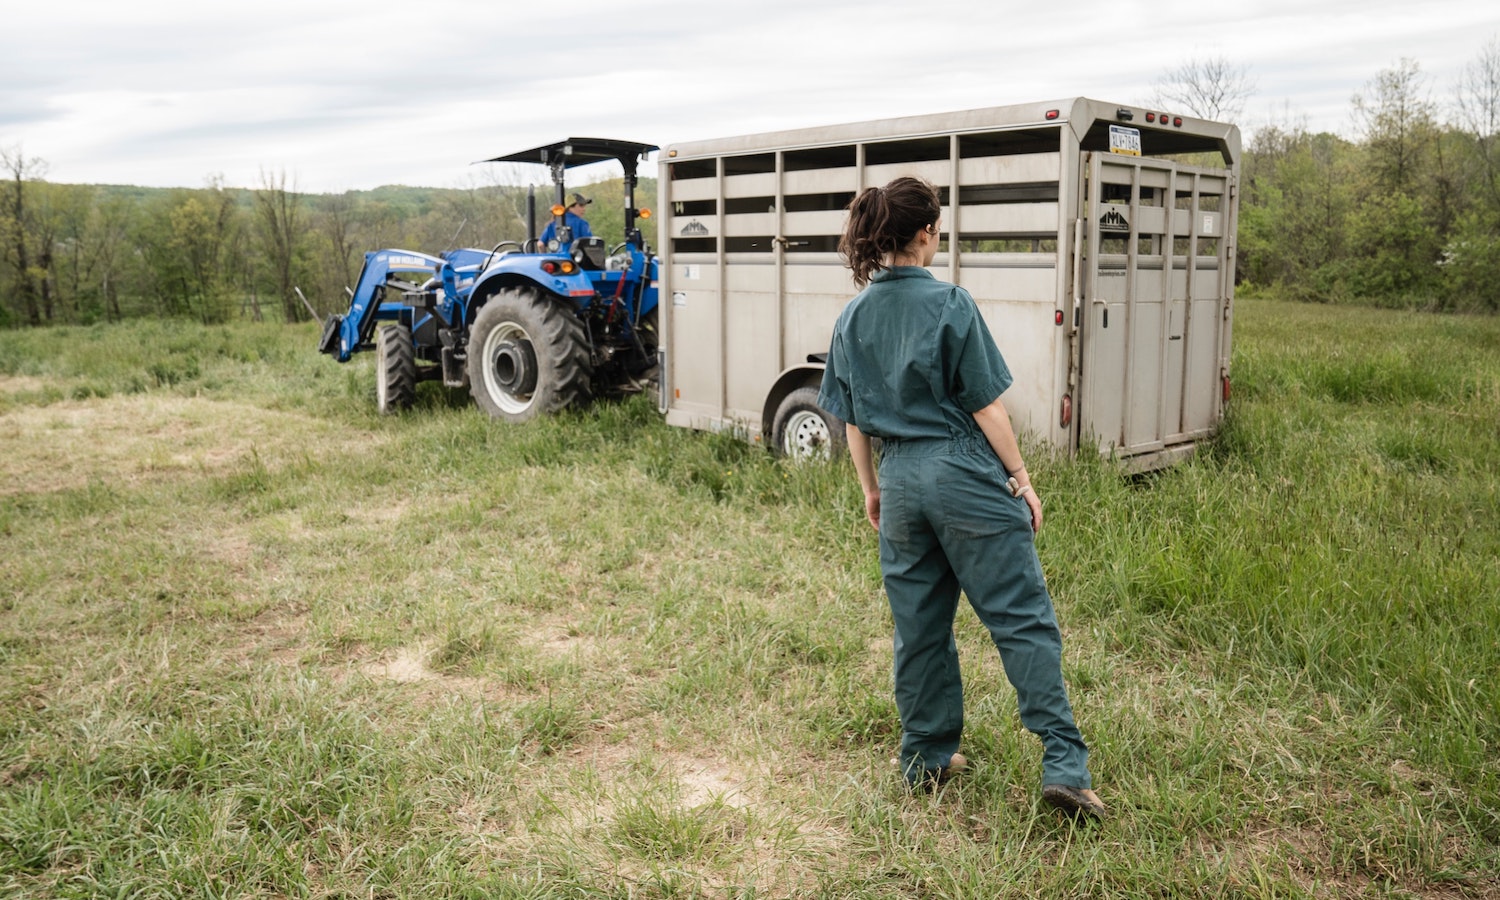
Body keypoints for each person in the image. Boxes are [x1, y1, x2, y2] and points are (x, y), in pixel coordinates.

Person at [816, 176, 1106, 820]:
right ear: (924, 234)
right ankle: (1063, 763)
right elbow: (986, 407)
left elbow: (854, 419)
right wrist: (1022, 479)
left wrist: (872, 489)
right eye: (937, 226)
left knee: (918, 626)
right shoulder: (951, 302)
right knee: (1019, 616)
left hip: (898, 482)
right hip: (962, 471)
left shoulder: (852, 316)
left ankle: (925, 755)